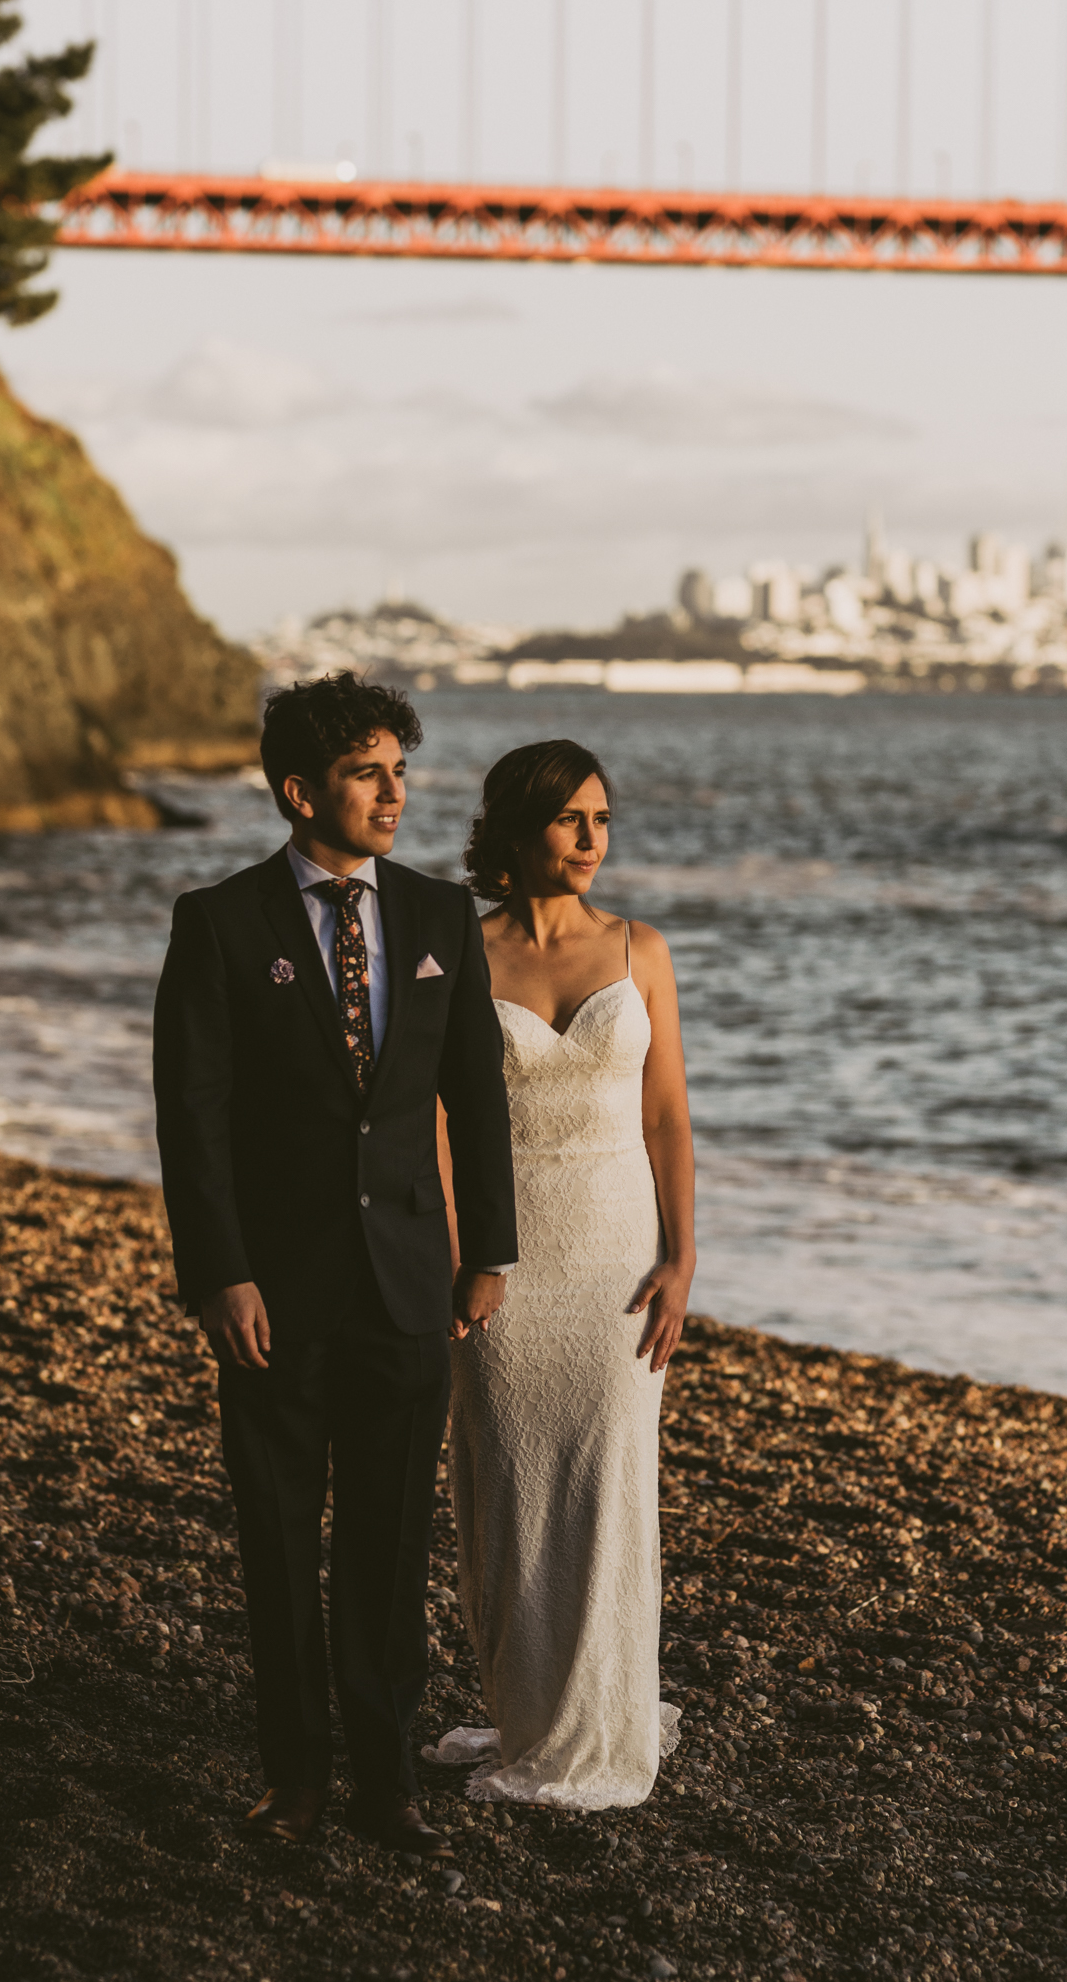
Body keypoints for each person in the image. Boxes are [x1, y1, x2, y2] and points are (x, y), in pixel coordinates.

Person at [152, 672, 517, 1853]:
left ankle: (386, 1778)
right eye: (368, 773)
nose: (394, 795)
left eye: (400, 772)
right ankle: (294, 1779)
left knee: (387, 1541)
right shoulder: (218, 924)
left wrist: (487, 1253)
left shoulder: (437, 919)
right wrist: (219, 1274)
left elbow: (476, 1096)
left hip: (409, 1284)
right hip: (274, 1292)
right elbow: (191, 1115)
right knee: (275, 1538)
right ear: (300, 791)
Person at [431, 738, 696, 1807]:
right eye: (567, 820)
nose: (590, 840)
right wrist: (462, 1252)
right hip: (505, 1251)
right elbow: (439, 1117)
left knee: (608, 1476)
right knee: (505, 1483)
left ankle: (597, 1723)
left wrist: (681, 1256)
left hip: (615, 1254)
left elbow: (667, 1114)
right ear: (512, 831)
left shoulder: (641, 950)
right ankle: (528, 1711)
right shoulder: (458, 951)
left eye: (602, 821)